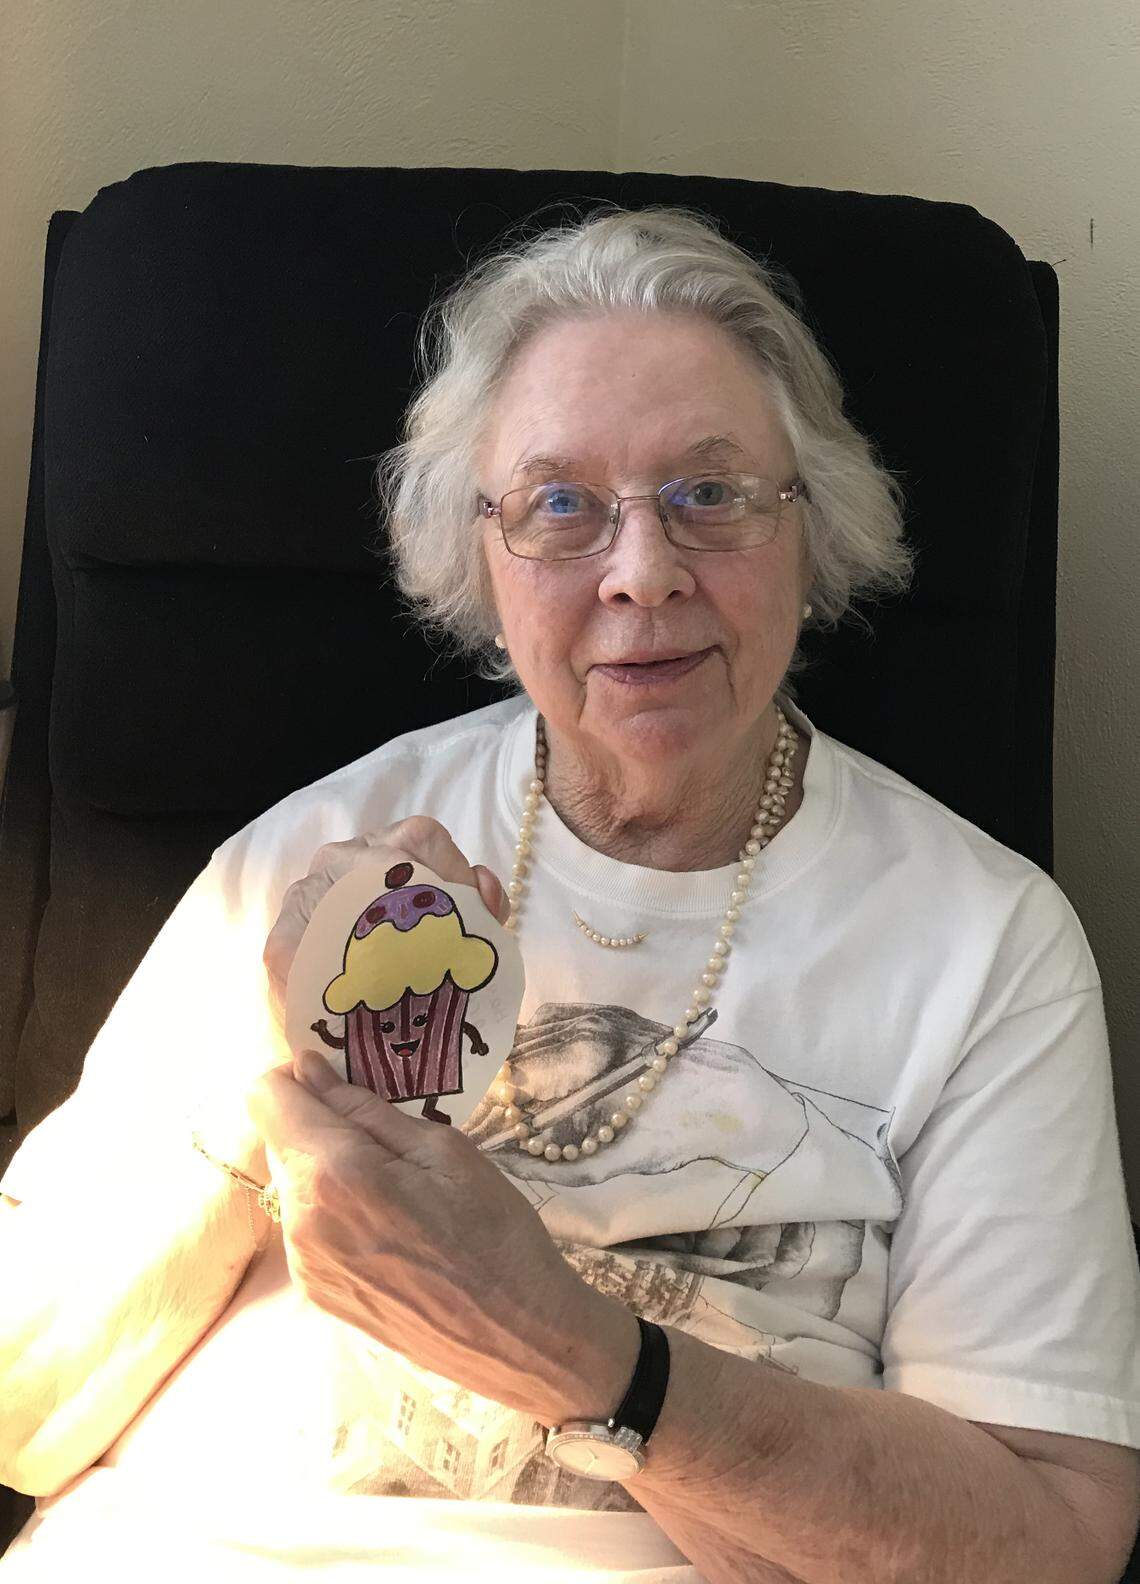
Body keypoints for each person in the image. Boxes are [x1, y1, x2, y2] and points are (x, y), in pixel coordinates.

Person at [1, 205, 1138, 1584]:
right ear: (479, 552)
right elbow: (25, 1411)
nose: (642, 570)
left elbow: (1053, 1541)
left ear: (811, 524)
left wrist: (582, 1357)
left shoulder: (987, 944)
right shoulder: (314, 862)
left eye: (711, 496)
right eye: (560, 505)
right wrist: (267, 1094)